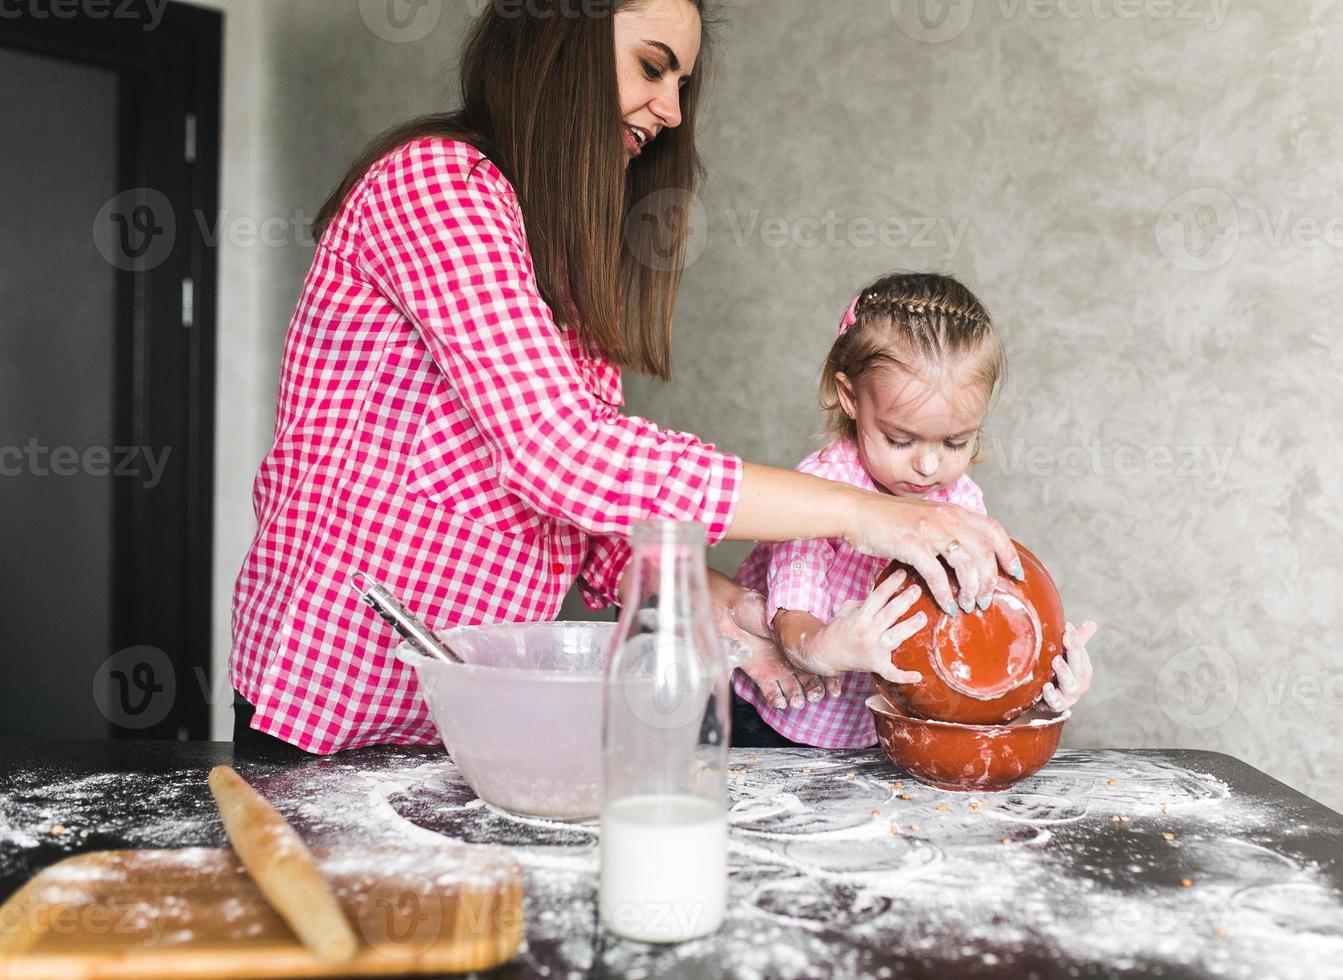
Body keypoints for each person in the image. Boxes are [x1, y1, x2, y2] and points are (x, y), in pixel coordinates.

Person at [230, 0, 1022, 754]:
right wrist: (865, 516)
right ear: (558, 36)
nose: (672, 110)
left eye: (682, 84)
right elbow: (566, 456)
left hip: (470, 719)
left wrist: (740, 613)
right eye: (652, 67)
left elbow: (590, 531)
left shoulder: (562, 268)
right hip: (333, 714)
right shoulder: (437, 186)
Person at [731, 273, 1098, 749]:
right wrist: (830, 648)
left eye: (956, 441)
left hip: (875, 735)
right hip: (775, 722)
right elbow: (790, 624)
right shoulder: (820, 488)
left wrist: (1041, 687)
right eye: (900, 440)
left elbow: (974, 632)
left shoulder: (961, 504)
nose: (927, 466)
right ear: (850, 398)